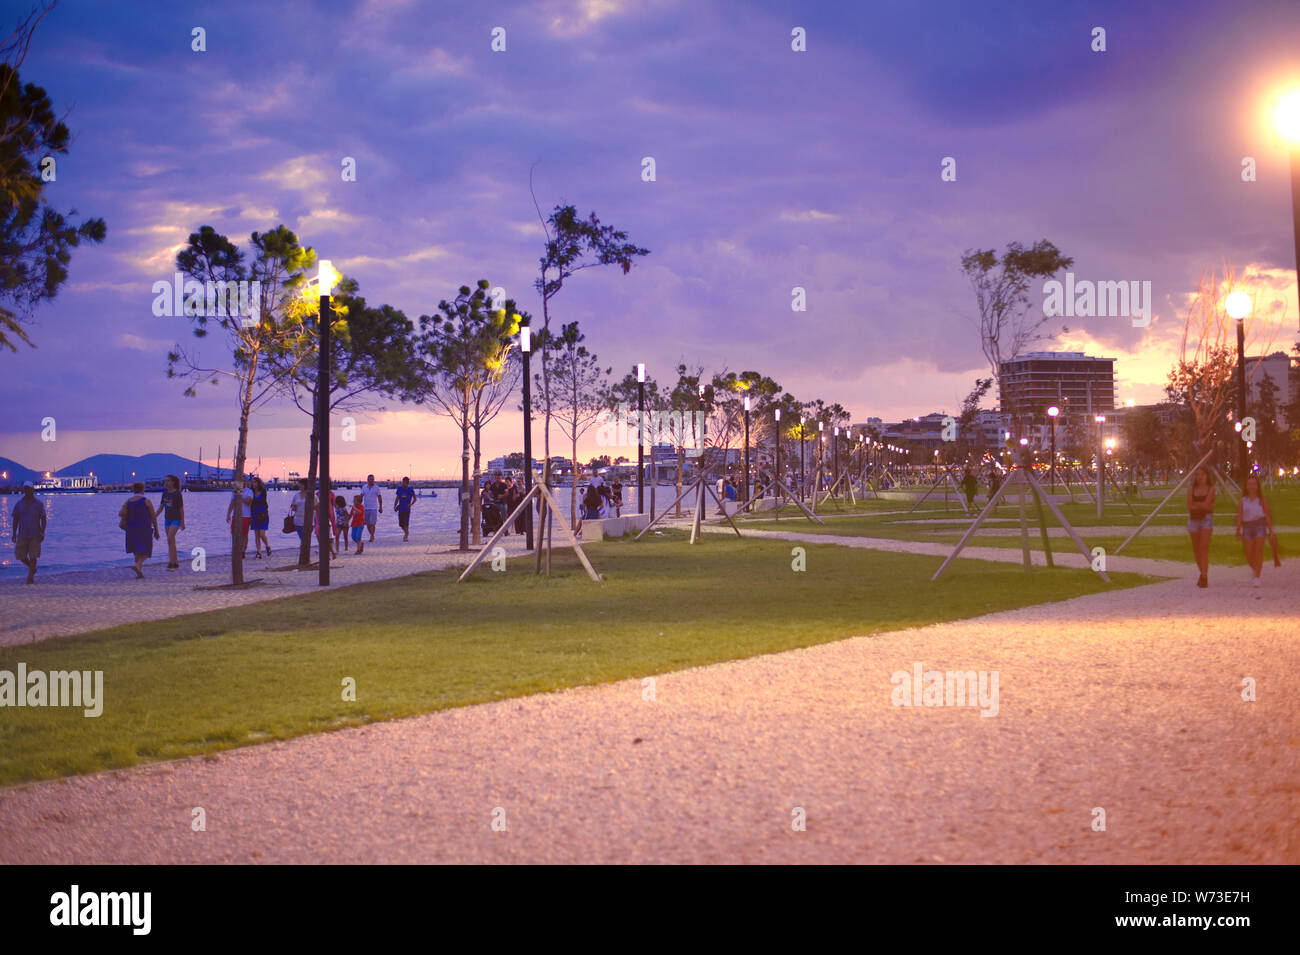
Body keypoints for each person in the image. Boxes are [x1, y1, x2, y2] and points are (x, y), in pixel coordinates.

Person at [1235, 474, 1274, 589]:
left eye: (1254, 484)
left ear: (1257, 486)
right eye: (1249, 484)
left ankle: (1257, 576)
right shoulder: (1243, 501)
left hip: (1259, 525)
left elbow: (1267, 515)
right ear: (1246, 486)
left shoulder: (1262, 500)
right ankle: (1254, 568)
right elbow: (1240, 516)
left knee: (1258, 551)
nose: (1251, 486)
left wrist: (1271, 531)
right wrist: (1238, 530)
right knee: (1249, 553)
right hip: (1247, 527)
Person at [119, 481, 159, 578]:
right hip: (144, 527)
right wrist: (157, 530)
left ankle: (139, 572)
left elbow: (121, 513)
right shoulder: (146, 501)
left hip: (131, 527)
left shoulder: (128, 501)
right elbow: (153, 516)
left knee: (136, 550)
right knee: (146, 550)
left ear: (133, 489)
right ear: (143, 489)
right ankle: (138, 565)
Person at [1185, 466, 1215, 588]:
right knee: (1196, 549)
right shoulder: (1191, 489)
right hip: (1193, 520)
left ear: (1207, 476)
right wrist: (1202, 505)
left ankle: (1204, 576)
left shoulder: (1211, 488)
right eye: (1197, 475)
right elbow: (1189, 506)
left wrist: (1197, 504)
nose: (1199, 477)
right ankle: (1202, 573)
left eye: (1202, 474)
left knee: (1203, 547)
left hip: (1206, 520)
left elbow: (1208, 506)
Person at [11, 481, 46, 584]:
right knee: (20, 556)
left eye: (28, 488)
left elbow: (43, 519)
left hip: (35, 535)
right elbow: (15, 519)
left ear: (32, 490)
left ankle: (30, 578)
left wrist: (42, 532)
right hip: (22, 534)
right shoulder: (19, 504)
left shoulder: (39, 504)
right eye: (25, 489)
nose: (27, 491)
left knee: (33, 556)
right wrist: (13, 533)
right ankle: (32, 568)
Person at [159, 474, 186, 570]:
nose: (166, 483)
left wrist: (183, 522)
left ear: (173, 482)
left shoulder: (177, 494)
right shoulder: (164, 493)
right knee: (171, 541)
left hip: (176, 519)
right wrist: (152, 516)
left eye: (168, 481)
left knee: (170, 538)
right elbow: (161, 508)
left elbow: (181, 509)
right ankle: (175, 562)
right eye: (165, 481)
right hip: (167, 519)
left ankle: (171, 563)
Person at [225, 477, 253, 558]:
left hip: (246, 515)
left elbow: (248, 502)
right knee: (234, 533)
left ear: (245, 482)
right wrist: (228, 514)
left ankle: (243, 551)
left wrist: (240, 496)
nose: (242, 482)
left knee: (244, 535)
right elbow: (232, 503)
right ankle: (236, 549)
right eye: (240, 480)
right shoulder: (235, 491)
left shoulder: (249, 491)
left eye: (243, 480)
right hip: (236, 515)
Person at [249, 476, 271, 558]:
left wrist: (253, 501)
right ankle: (259, 552)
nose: (253, 483)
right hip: (254, 514)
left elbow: (263, 502)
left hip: (263, 514)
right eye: (252, 482)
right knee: (256, 535)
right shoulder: (251, 491)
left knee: (262, 534)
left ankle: (267, 546)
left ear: (258, 483)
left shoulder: (263, 491)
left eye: (255, 482)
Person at [361, 474, 383, 542]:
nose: (372, 480)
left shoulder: (376, 488)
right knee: (367, 524)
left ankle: (371, 536)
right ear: (367, 480)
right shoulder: (364, 487)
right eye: (370, 479)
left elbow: (379, 497)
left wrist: (381, 507)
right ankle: (372, 535)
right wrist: (358, 506)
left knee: (372, 523)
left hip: (373, 508)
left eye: (373, 479)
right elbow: (361, 496)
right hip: (366, 508)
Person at [394, 476, 416, 541]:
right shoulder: (399, 489)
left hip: (407, 509)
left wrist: (411, 504)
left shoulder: (411, 490)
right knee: (401, 524)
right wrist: (395, 506)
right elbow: (397, 498)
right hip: (400, 508)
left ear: (408, 483)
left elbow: (415, 499)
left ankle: (406, 535)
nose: (404, 483)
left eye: (406, 482)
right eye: (403, 482)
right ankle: (406, 532)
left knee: (406, 523)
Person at [290, 478, 311, 544]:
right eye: (299, 484)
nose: (299, 486)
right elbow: (292, 507)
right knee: (302, 539)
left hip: (308, 520)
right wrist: (294, 507)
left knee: (305, 539)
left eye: (301, 484)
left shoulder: (311, 495)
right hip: (298, 520)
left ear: (305, 485)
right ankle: (304, 553)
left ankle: (305, 553)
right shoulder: (296, 495)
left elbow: (316, 507)